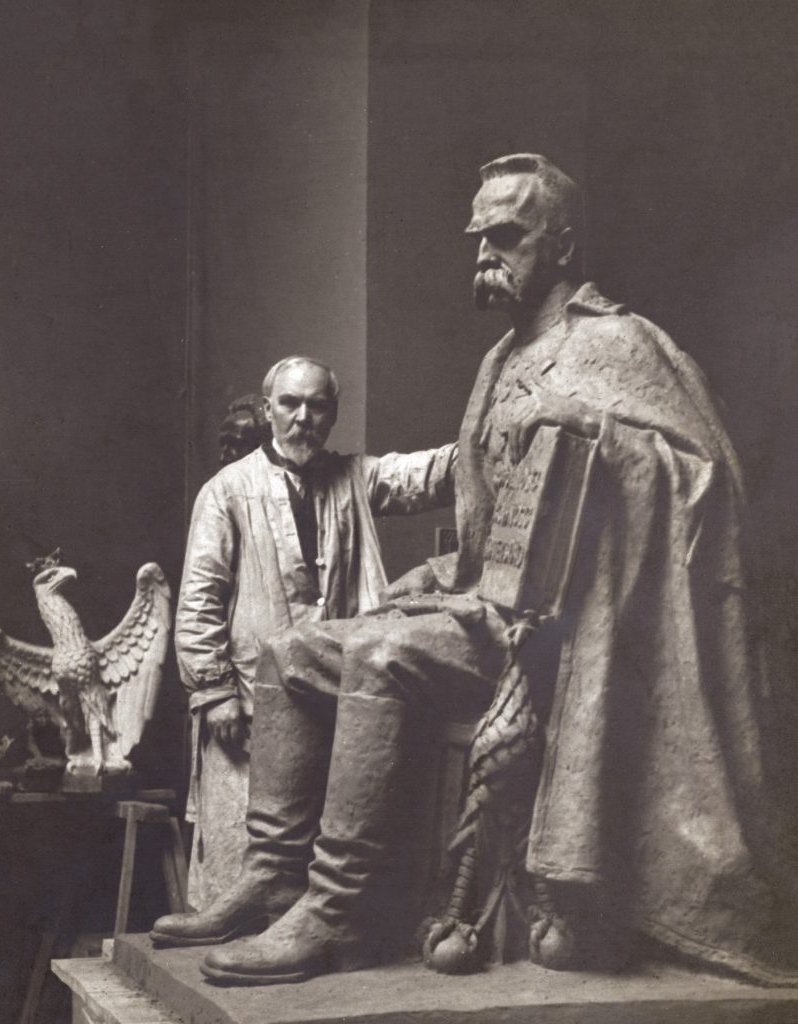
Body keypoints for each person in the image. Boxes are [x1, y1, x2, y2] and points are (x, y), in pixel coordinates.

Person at [163, 154, 798, 988]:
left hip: (560, 636)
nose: (484, 254)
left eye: (506, 236)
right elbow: (490, 518)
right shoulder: (500, 359)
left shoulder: (619, 343)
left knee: (380, 655)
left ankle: (334, 907)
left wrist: (597, 433)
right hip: (482, 604)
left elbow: (707, 485)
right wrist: (443, 571)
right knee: (290, 653)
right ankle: (273, 876)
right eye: (478, 238)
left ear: (562, 246)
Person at [163, 355, 458, 917]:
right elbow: (199, 598)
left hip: (332, 695)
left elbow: (430, 474)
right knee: (244, 850)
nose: (303, 418)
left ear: (333, 413)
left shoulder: (356, 478)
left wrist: (496, 430)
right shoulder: (227, 491)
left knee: (320, 845)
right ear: (268, 409)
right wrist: (214, 690)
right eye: (290, 404)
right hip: (247, 701)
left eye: (317, 406)